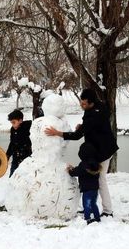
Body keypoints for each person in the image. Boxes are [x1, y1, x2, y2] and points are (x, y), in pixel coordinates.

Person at [45, 88, 119, 217]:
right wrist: (84, 127)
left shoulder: (94, 115)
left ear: (91, 103)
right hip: (100, 146)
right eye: (81, 102)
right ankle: (89, 206)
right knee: (96, 179)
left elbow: (77, 136)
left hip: (104, 150)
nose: (81, 105)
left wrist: (57, 133)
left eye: (84, 104)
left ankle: (108, 211)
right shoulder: (97, 108)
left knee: (100, 180)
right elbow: (91, 126)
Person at [67, 142, 101, 224]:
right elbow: (82, 171)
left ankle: (87, 218)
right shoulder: (96, 163)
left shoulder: (84, 164)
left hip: (87, 189)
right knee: (93, 204)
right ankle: (97, 217)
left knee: (86, 204)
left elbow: (76, 172)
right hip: (95, 189)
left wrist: (70, 170)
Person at [6, 109, 32, 177]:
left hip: (26, 157)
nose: (13, 125)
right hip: (15, 157)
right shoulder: (12, 129)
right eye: (11, 123)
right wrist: (8, 155)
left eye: (14, 122)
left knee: (25, 177)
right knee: (12, 176)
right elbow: (12, 143)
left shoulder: (28, 126)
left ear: (20, 120)